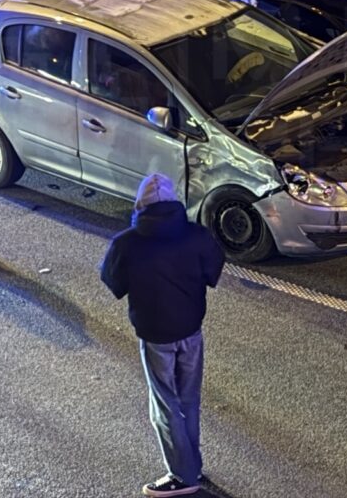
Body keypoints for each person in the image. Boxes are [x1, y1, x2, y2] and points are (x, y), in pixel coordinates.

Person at [100, 173, 226, 497]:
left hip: (156, 334)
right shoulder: (197, 236)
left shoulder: (127, 243)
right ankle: (192, 465)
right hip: (191, 330)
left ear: (140, 206)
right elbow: (213, 271)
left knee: (165, 404)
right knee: (189, 399)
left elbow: (113, 282)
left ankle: (181, 476)